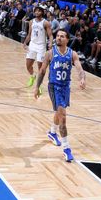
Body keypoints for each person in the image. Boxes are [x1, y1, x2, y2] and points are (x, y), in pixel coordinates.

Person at [34, 29, 86, 162]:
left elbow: (80, 69)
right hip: (54, 87)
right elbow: (42, 70)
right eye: (57, 36)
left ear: (67, 39)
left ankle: (52, 132)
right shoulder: (50, 53)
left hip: (65, 88)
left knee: (59, 112)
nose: (58, 38)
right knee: (62, 116)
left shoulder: (72, 54)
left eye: (62, 36)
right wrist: (37, 87)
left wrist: (82, 78)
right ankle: (67, 149)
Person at [23, 6, 52, 89]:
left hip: (41, 46)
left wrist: (50, 43)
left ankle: (39, 86)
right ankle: (33, 76)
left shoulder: (46, 23)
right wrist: (25, 43)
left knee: (41, 68)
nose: (36, 12)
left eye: (38, 11)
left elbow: (50, 35)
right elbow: (29, 34)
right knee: (28, 66)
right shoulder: (31, 22)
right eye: (35, 11)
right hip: (32, 44)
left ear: (42, 12)